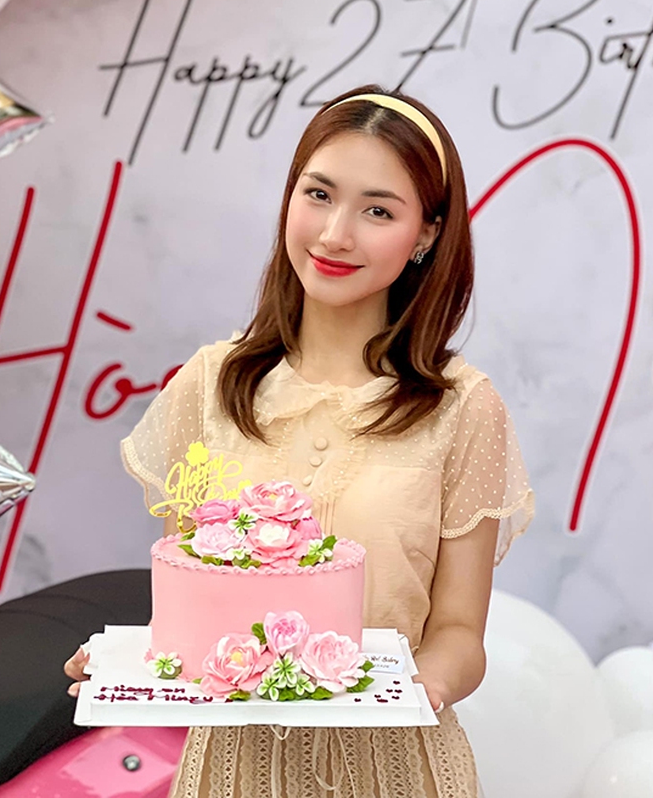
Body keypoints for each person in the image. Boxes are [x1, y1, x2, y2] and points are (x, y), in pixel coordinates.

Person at [65, 85, 534, 798]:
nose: (335, 234)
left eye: (378, 210)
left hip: (395, 769)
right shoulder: (208, 386)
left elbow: (461, 632)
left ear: (428, 234)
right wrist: (125, 664)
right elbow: (189, 604)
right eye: (319, 194)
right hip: (232, 773)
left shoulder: (463, 408)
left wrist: (417, 685)